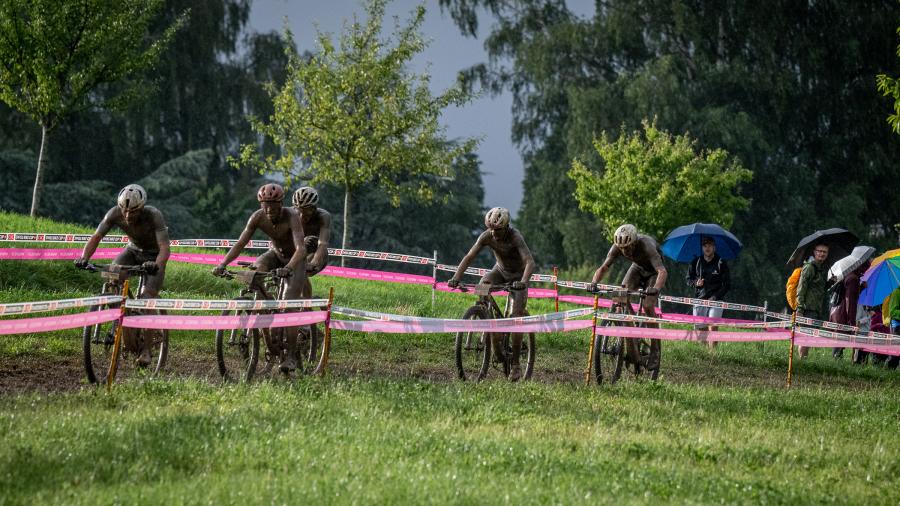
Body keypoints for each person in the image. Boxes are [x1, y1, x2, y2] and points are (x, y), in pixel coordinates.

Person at [213, 183, 307, 372]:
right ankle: (265, 307)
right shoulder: (257, 217)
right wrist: (223, 264)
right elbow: (240, 243)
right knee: (256, 269)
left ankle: (290, 356)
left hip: (295, 260)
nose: (269, 209)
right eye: (265, 205)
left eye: (273, 205)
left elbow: (301, 248)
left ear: (281, 203)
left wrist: (288, 267)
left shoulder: (292, 216)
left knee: (288, 304)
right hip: (274, 254)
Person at [74, 184, 171, 366]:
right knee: (112, 273)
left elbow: (165, 248)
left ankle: (147, 351)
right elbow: (96, 237)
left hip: (153, 256)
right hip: (132, 251)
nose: (127, 215)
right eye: (124, 210)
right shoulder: (114, 213)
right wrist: (84, 257)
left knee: (146, 297)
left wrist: (156, 265)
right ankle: (121, 315)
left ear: (141, 208)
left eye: (132, 212)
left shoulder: (154, 215)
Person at [447, 207, 535, 381]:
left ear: (507, 227)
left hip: (518, 277)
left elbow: (530, 262)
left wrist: (523, 282)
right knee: (482, 286)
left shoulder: (515, 237)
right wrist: (456, 277)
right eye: (491, 229)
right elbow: (469, 256)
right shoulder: (486, 235)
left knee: (516, 317)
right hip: (500, 271)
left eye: (498, 230)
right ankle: (486, 317)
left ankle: (516, 365)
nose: (494, 234)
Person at [589, 224, 667, 371]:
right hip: (637, 268)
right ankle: (631, 334)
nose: (625, 251)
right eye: (622, 248)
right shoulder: (617, 247)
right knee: (619, 297)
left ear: (635, 242)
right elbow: (604, 267)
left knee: (647, 305)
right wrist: (594, 282)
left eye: (628, 247)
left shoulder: (647, 246)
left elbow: (662, 271)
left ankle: (656, 350)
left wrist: (655, 289)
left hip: (653, 272)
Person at [685, 236, 731, 348]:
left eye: (710, 245)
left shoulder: (721, 263)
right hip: (699, 299)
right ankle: (703, 353)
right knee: (700, 327)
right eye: (705, 245)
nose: (707, 248)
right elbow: (688, 280)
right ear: (702, 248)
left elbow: (727, 285)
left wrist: (715, 297)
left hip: (716, 300)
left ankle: (713, 354)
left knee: (713, 325)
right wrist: (696, 283)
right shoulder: (696, 261)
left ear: (714, 248)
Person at [292, 186, 332, 298]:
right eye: (299, 212)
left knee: (301, 271)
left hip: (316, 253)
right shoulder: (290, 214)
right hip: (296, 250)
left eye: (306, 213)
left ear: (314, 208)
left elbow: (322, 244)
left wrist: (313, 263)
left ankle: (306, 305)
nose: (302, 216)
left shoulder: (323, 216)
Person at [829, 260, 868, 359]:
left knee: (839, 342)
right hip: (843, 314)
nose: (866, 271)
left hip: (836, 312)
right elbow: (850, 301)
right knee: (840, 344)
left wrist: (861, 288)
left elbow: (847, 294)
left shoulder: (848, 274)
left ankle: (836, 364)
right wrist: (852, 322)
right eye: (866, 267)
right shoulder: (853, 279)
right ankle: (836, 368)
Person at [796, 243, 829, 359]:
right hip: (807, 309)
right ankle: (802, 362)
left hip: (816, 309)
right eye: (819, 251)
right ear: (814, 252)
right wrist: (799, 308)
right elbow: (801, 288)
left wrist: (830, 282)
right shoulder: (809, 267)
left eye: (824, 252)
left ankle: (803, 360)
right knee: (805, 336)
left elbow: (820, 289)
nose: (822, 254)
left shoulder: (821, 269)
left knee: (809, 337)